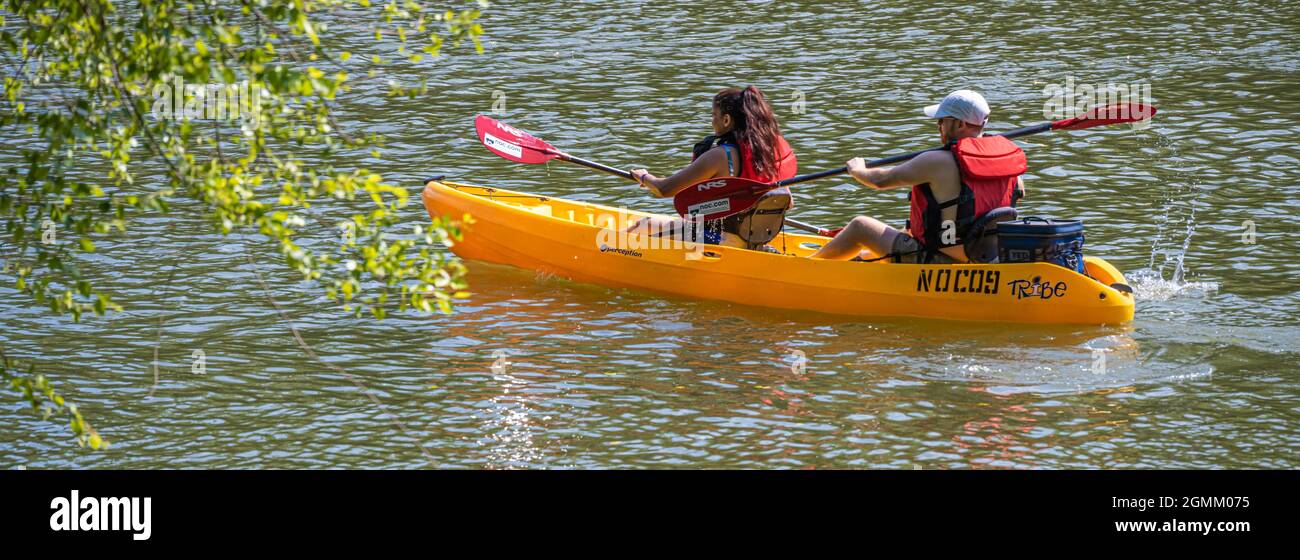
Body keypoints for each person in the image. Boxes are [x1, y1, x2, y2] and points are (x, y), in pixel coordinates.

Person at [811, 90, 1026, 263]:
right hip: (989, 255)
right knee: (872, 251)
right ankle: (862, 262)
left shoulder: (937, 161)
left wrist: (858, 170)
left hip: (943, 260)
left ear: (959, 124)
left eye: (941, 121)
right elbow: (1017, 193)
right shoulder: (1006, 159)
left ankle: (806, 269)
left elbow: (880, 180)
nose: (938, 127)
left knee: (861, 227)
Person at [628, 86, 797, 249]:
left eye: (713, 115)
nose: (712, 121)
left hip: (721, 239)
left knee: (643, 226)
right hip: (758, 238)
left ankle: (607, 253)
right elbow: (789, 203)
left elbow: (664, 189)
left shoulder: (720, 156)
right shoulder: (770, 153)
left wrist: (644, 177)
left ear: (726, 120)